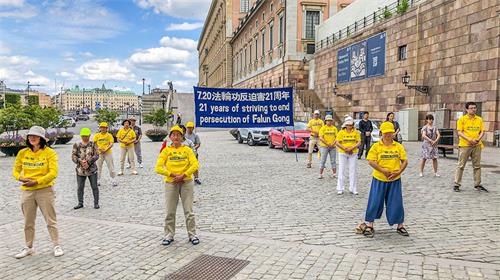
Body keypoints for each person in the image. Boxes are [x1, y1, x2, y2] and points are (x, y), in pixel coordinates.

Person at [12, 126, 64, 258]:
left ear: (41, 138)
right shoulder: (22, 153)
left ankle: (56, 245)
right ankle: (28, 247)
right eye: (30, 136)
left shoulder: (49, 153)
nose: (32, 138)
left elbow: (53, 173)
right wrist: (20, 177)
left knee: (50, 220)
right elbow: (15, 170)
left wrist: (37, 181)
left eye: (35, 136)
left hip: (45, 190)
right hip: (27, 191)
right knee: (28, 221)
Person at [357, 121, 408, 238]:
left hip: (395, 179)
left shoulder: (398, 146)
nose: (388, 135)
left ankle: (400, 225)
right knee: (375, 201)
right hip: (379, 178)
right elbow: (370, 161)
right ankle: (370, 225)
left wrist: (399, 171)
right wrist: (382, 170)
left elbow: (405, 161)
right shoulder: (376, 146)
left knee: (396, 202)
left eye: (390, 133)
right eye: (385, 133)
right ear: (381, 133)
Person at [155, 125, 200, 246]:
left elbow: (195, 165)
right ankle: (169, 234)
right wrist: (171, 174)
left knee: (189, 211)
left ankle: (192, 234)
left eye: (178, 135)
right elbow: (158, 168)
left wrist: (184, 175)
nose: (176, 137)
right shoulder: (166, 151)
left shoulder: (187, 150)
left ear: (182, 137)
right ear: (170, 137)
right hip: (171, 182)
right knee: (170, 211)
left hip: (186, 182)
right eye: (173, 135)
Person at [453, 102, 487, 192]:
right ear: (467, 109)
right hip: (465, 145)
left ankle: (478, 184)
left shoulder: (479, 119)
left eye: (475, 108)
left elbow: (482, 131)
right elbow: (459, 132)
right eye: (471, 108)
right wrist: (469, 139)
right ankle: (457, 184)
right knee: (461, 165)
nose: (473, 109)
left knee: (477, 166)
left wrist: (477, 139)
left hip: (477, 145)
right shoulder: (462, 119)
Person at [72, 128, 100, 209]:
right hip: (80, 170)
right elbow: (73, 156)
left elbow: (96, 155)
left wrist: (88, 162)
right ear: (81, 136)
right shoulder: (76, 145)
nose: (85, 137)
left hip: (92, 170)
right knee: (80, 187)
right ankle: (80, 203)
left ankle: (96, 203)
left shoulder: (93, 144)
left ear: (89, 136)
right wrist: (80, 161)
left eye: (86, 136)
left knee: (94, 187)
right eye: (83, 136)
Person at [337, 118, 361, 195]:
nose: (349, 126)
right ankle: (340, 188)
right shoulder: (341, 132)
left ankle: (353, 188)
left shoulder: (356, 132)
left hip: (353, 153)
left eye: (350, 125)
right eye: (348, 125)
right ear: (345, 125)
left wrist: (351, 148)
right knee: (341, 170)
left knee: (353, 171)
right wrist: (345, 149)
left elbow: (359, 142)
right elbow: (337, 142)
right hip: (343, 153)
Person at [93, 122, 118, 187]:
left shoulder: (109, 135)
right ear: (100, 128)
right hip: (99, 153)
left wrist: (106, 149)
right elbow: (95, 144)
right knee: (98, 167)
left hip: (108, 153)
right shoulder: (97, 135)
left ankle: (113, 179)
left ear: (107, 128)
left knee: (111, 166)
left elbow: (111, 143)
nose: (103, 129)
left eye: (104, 127)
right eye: (101, 127)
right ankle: (98, 180)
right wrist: (98, 148)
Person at [318, 115, 338, 180]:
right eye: (328, 120)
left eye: (330, 120)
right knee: (323, 160)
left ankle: (334, 174)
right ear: (325, 121)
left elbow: (337, 137)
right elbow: (321, 137)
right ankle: (320, 174)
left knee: (333, 160)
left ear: (332, 121)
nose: (329, 122)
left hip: (333, 146)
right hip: (324, 146)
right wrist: (327, 143)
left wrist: (332, 143)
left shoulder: (334, 128)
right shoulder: (323, 128)